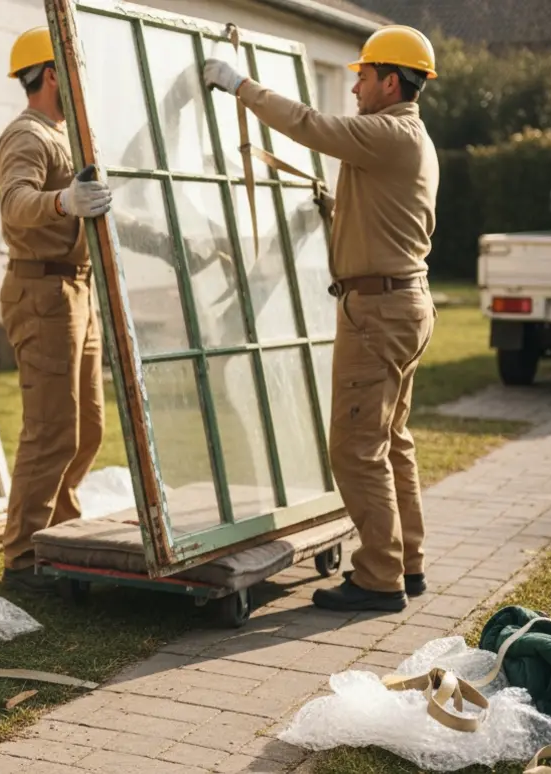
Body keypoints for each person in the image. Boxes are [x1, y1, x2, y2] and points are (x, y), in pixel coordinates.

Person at [203, 25, 440, 612]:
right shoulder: (407, 138)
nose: (354, 85)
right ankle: (407, 564)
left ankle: (379, 579)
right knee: (392, 443)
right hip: (403, 304)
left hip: (379, 312)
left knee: (356, 449)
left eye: (362, 76)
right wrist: (331, 208)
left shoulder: (387, 133)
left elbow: (311, 126)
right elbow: (379, 213)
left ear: (391, 81)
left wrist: (241, 86)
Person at [0, 26, 113, 591]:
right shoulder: (27, 136)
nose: (82, 80)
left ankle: (59, 535)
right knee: (49, 429)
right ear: (49, 74)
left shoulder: (70, 136)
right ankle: (22, 558)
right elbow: (17, 204)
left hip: (75, 290)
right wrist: (65, 200)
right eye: (73, 70)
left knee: (88, 427)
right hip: (41, 294)